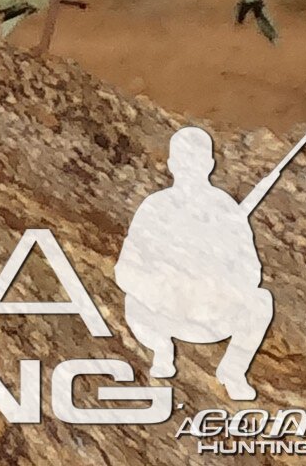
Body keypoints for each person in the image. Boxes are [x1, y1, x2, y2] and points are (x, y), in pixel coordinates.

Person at [112, 124, 278, 400]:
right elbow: (126, 268)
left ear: (209, 164)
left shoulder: (226, 209)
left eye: (197, 161)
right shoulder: (154, 207)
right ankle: (161, 350)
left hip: (213, 315)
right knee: (131, 301)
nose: (190, 168)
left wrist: (215, 278)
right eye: (184, 161)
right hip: (162, 312)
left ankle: (233, 371)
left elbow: (251, 272)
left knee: (261, 301)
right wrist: (162, 285)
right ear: (172, 164)